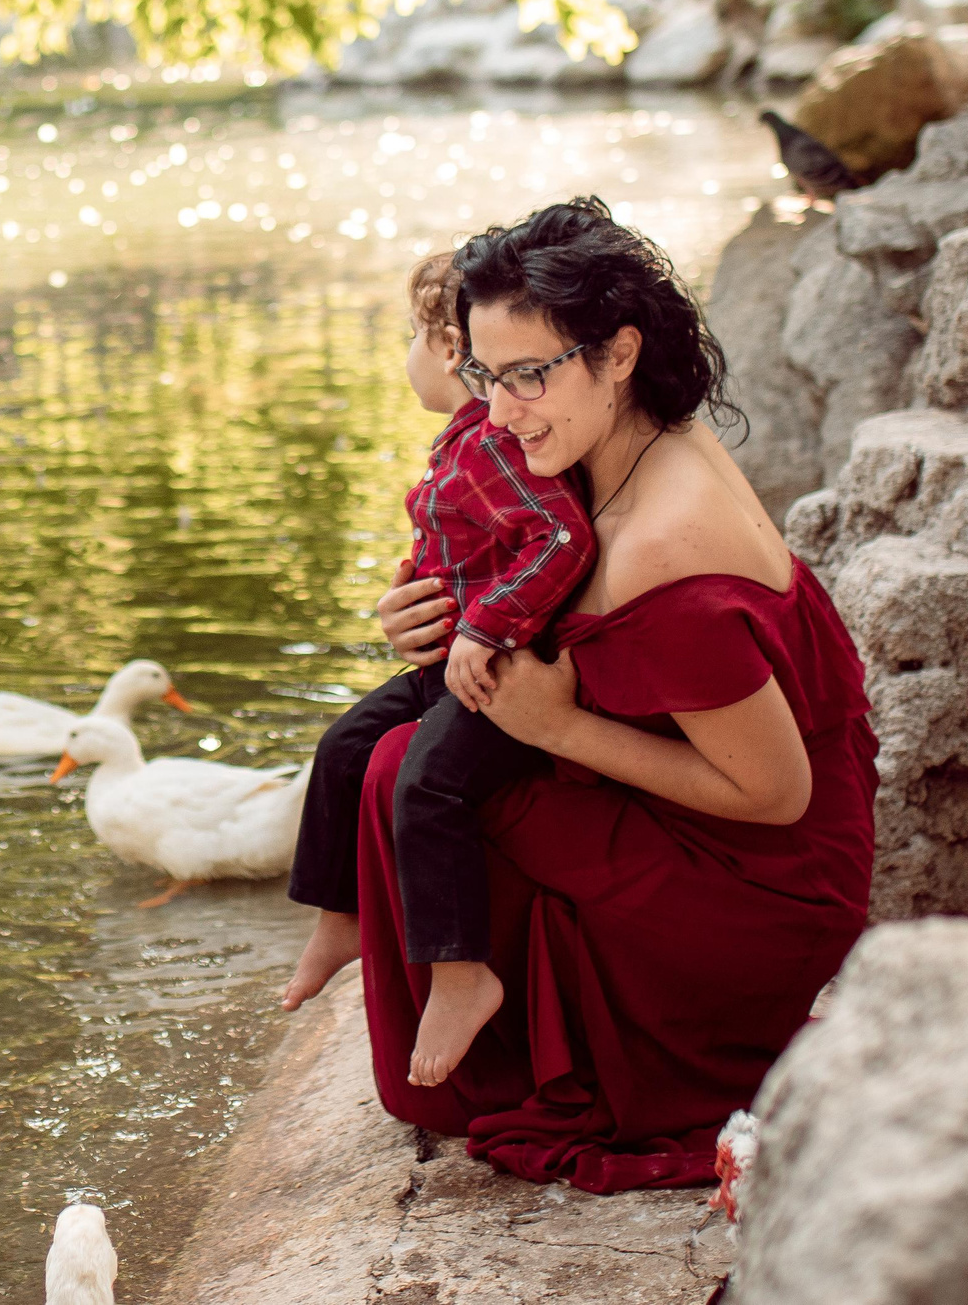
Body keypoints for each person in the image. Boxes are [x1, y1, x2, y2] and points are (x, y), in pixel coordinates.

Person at [350, 199, 879, 1194]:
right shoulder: (617, 441)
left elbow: (776, 794)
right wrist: (422, 613)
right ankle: (503, 1026)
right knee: (400, 754)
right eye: (485, 376)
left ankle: (532, 1054)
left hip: (755, 886)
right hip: (709, 827)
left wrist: (560, 726)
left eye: (530, 375)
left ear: (620, 352)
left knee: (399, 774)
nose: (500, 412)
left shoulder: (668, 544)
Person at [280, 251, 594, 1097]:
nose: (406, 357)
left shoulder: (493, 444)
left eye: (411, 337)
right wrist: (410, 596)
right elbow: (465, 549)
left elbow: (559, 538)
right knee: (345, 746)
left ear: (451, 348)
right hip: (454, 651)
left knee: (426, 783)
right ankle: (338, 917)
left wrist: (485, 625)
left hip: (501, 667)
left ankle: (462, 974)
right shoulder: (465, 442)